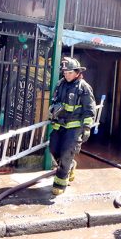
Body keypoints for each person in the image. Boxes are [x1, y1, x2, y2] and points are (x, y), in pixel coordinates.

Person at [48, 57, 96, 196]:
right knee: (54, 149)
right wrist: (54, 109)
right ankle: (70, 165)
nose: (66, 75)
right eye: (65, 72)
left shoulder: (83, 87)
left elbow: (89, 109)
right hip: (59, 125)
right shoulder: (60, 84)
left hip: (75, 127)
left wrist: (87, 128)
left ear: (77, 72)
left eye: (69, 72)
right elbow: (54, 100)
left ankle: (60, 183)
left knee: (66, 152)